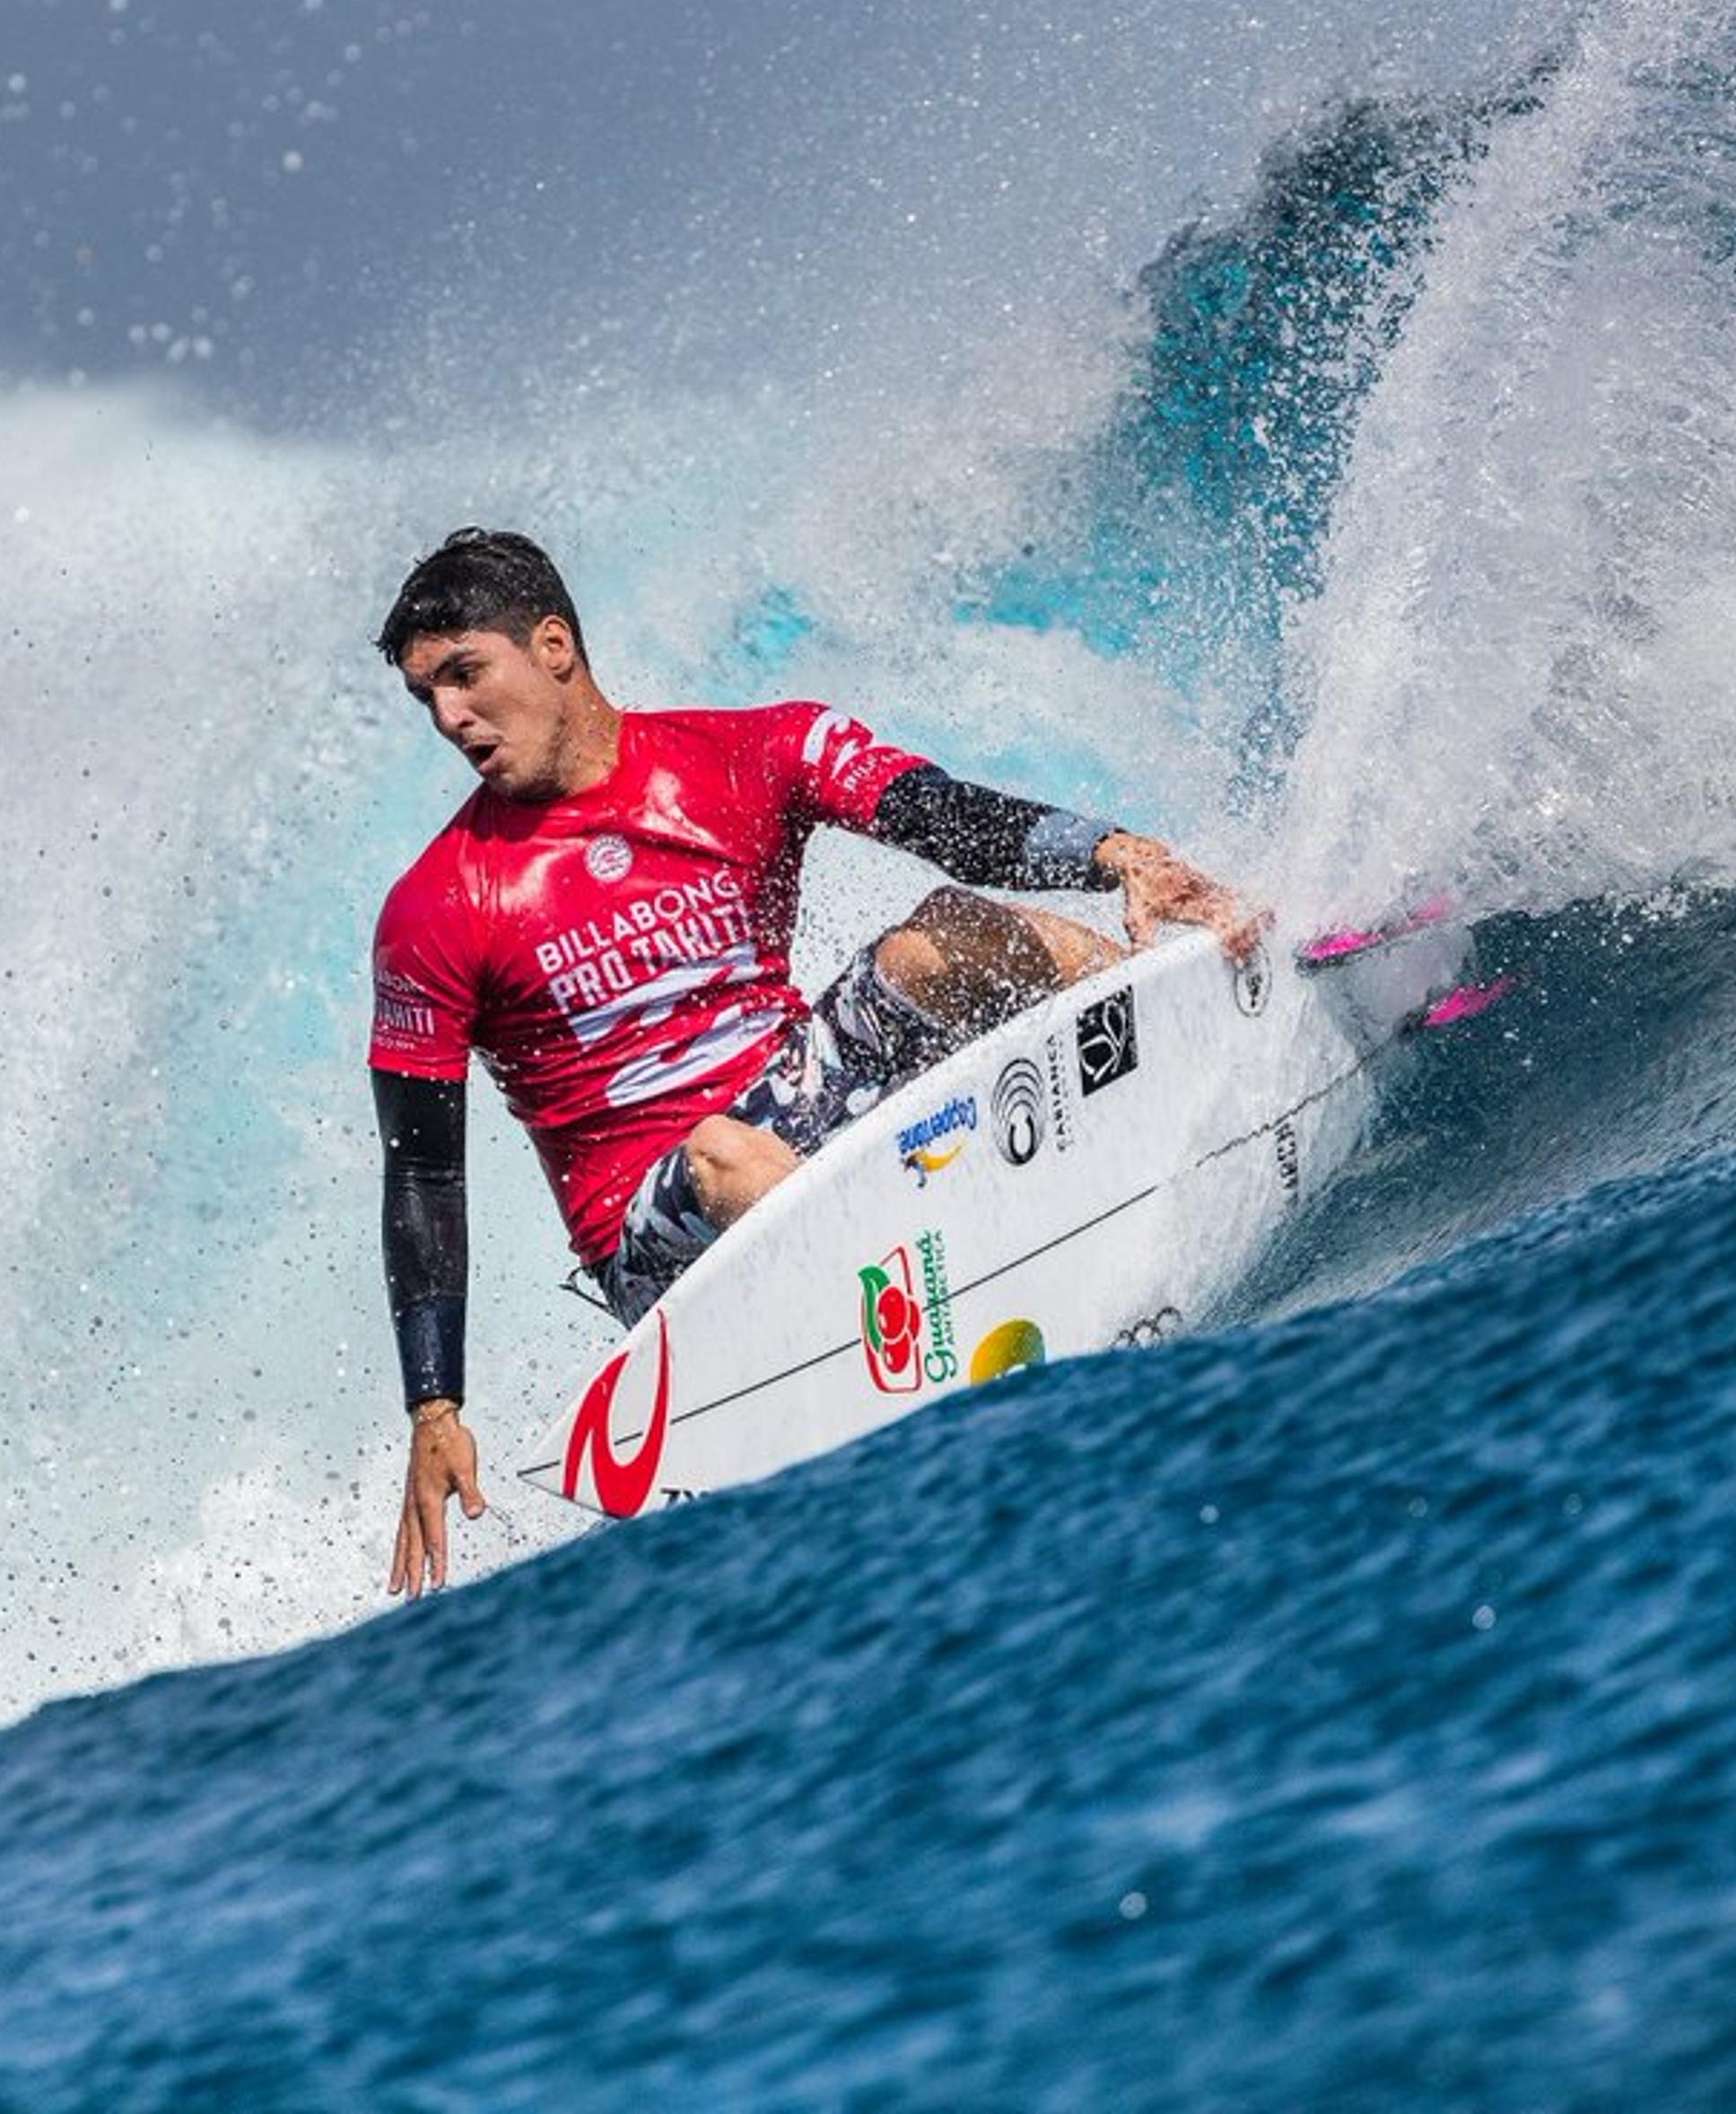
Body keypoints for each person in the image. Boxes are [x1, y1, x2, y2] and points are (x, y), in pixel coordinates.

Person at [367, 528, 1258, 1595]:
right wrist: (435, 1403)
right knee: (722, 1151)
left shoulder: (747, 753)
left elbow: (940, 816)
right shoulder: (438, 906)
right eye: (428, 696)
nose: (450, 716)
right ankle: (946, 1320)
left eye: (465, 674)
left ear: (553, 646)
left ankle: (1230, 1006)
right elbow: (423, 1167)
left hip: (808, 1107)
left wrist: (1122, 854)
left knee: (948, 934)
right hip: (660, 1228)